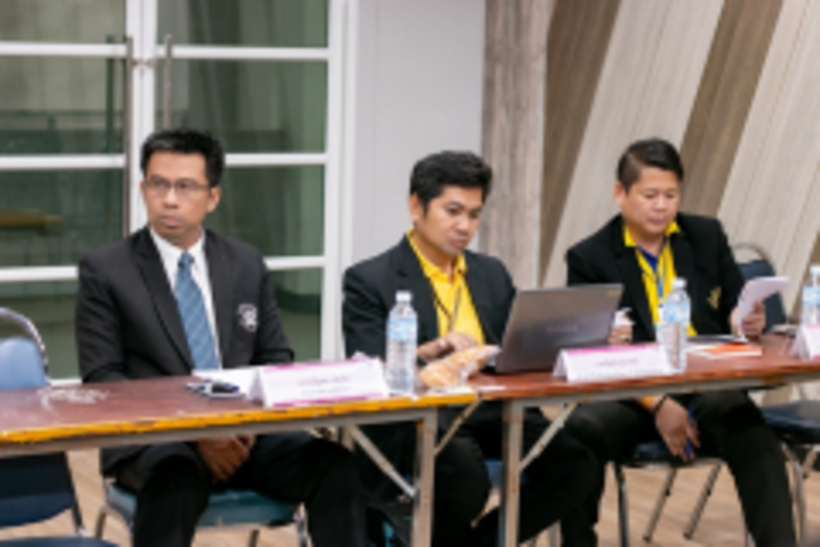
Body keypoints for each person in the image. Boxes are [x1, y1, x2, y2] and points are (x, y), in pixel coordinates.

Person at [76, 127, 366, 547]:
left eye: (185, 187)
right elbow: (105, 381)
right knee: (175, 477)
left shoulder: (245, 262)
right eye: (158, 184)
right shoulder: (106, 270)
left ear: (212, 197)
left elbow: (275, 359)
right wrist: (198, 434)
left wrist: (243, 429)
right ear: (142, 189)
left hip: (245, 433)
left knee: (334, 464)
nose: (169, 199)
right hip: (156, 440)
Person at [343, 151, 598, 546]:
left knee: (578, 465)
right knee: (464, 475)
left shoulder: (490, 273)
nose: (465, 226)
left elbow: (518, 346)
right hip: (422, 418)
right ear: (416, 207)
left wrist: (575, 335)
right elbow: (368, 366)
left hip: (494, 410)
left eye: (474, 215)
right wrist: (428, 352)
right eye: (453, 211)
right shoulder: (369, 279)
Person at [560, 137, 796, 546]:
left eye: (671, 195)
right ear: (620, 193)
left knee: (754, 436)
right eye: (650, 195)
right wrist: (658, 403)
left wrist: (744, 320)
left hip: (705, 384)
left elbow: (734, 304)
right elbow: (587, 352)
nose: (662, 206)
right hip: (632, 394)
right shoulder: (589, 257)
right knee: (579, 432)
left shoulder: (705, 235)